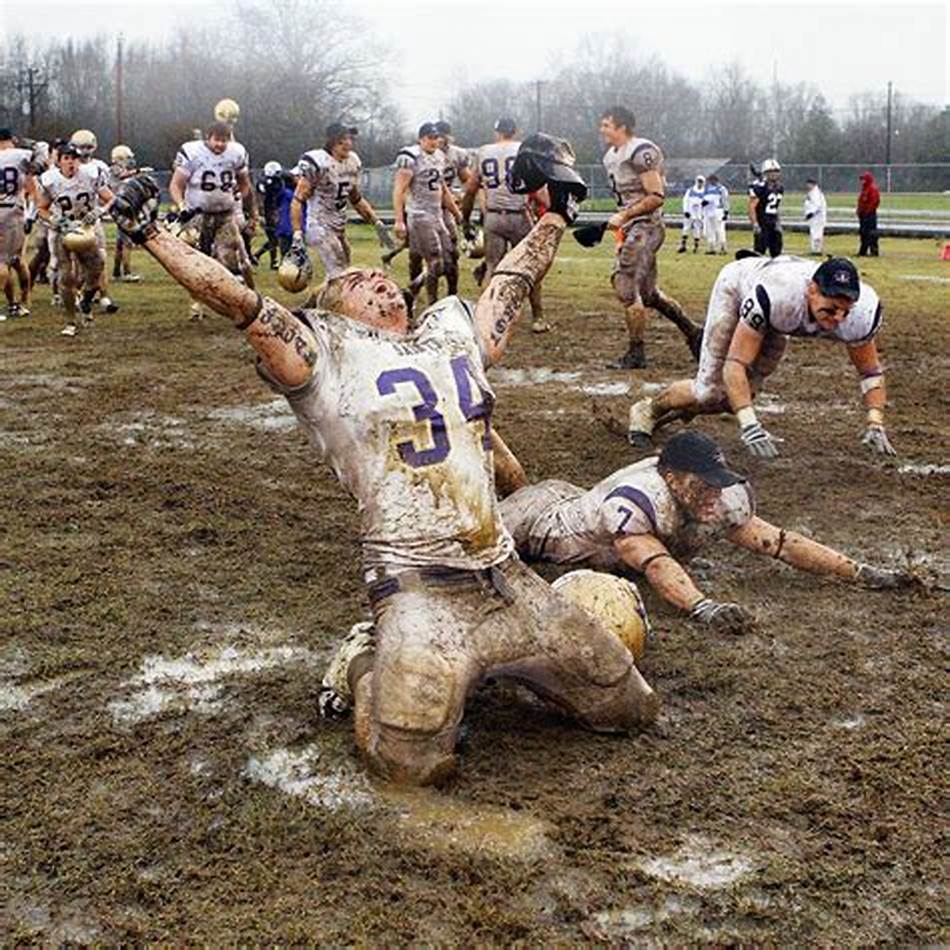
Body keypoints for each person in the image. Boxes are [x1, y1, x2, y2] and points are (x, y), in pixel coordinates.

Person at [109, 134, 657, 787]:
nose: (377, 279)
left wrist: (556, 215)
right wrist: (150, 233)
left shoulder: (448, 330)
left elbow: (508, 284)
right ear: (331, 312)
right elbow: (237, 300)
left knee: (629, 709)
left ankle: (497, 665)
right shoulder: (323, 355)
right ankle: (365, 660)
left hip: (505, 574)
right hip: (419, 587)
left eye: (381, 276)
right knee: (410, 765)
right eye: (355, 281)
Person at [500, 430, 918, 633]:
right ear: (670, 477)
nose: (712, 494)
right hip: (542, 518)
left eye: (716, 483)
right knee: (477, 544)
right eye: (701, 484)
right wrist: (703, 607)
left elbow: (780, 544)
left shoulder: (721, 495)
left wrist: (861, 572)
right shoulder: (636, 499)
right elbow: (655, 563)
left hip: (581, 507)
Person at [627, 255, 896, 458]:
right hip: (738, 289)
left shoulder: (863, 315)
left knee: (737, 397)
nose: (838, 318)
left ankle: (681, 410)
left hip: (777, 316)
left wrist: (875, 422)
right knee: (709, 392)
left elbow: (870, 372)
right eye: (831, 308)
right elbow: (735, 364)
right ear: (812, 290)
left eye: (845, 311)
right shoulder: (778, 296)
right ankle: (648, 409)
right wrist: (750, 426)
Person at [600, 105, 700, 368]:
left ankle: (636, 353)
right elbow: (624, 203)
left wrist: (625, 216)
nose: (602, 129)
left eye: (607, 125)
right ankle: (694, 332)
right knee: (647, 294)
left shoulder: (641, 151)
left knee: (625, 285)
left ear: (622, 127)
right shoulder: (610, 157)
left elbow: (656, 196)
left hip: (647, 226)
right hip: (633, 228)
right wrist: (622, 232)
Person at [462, 117, 549, 333]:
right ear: (515, 131)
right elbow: (538, 188)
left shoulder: (484, 151)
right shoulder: (524, 150)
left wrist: (465, 218)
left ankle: (484, 318)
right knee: (529, 267)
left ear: (497, 132)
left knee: (492, 267)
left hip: (493, 216)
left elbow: (471, 189)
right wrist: (552, 209)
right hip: (519, 215)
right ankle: (538, 318)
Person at [169, 120, 256, 319]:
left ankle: (242, 303)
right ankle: (197, 303)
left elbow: (245, 184)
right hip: (197, 215)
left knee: (231, 258)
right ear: (207, 138)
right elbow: (176, 185)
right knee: (198, 262)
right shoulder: (192, 152)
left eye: (224, 140)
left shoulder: (236, 152)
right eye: (216, 140)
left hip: (225, 214)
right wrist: (181, 206)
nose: (220, 144)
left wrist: (240, 196)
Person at [290, 123, 391, 284]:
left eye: (350, 139)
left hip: (339, 226)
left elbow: (356, 199)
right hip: (319, 224)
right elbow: (297, 200)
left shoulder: (352, 162)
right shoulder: (319, 162)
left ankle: (320, 298)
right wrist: (297, 233)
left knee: (343, 268)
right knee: (339, 272)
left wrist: (377, 222)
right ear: (331, 141)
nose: (347, 143)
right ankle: (334, 300)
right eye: (342, 139)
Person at [35, 142, 114, 337]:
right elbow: (41, 208)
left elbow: (110, 198)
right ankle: (70, 322)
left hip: (86, 229)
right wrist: (55, 220)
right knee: (66, 277)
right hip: (63, 231)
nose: (72, 163)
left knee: (97, 267)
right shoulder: (51, 180)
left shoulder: (90, 175)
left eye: (75, 158)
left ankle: (86, 300)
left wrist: (100, 210)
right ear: (59, 161)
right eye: (67, 158)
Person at [393, 122, 460, 306]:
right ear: (420, 139)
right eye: (429, 138)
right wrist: (399, 220)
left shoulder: (439, 156)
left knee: (450, 258)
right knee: (435, 260)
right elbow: (399, 190)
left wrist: (456, 212)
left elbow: (442, 188)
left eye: (436, 138)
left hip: (437, 214)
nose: (433, 141)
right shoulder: (411, 157)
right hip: (420, 215)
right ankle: (433, 303)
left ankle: (411, 290)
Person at [70, 129, 120, 313]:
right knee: (77, 263)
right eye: (81, 147)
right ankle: (77, 295)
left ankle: (104, 296)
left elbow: (109, 194)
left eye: (88, 147)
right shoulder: (69, 165)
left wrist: (101, 211)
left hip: (93, 219)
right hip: (73, 221)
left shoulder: (100, 167)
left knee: (101, 258)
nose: (84, 151)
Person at [0, 128, 37, 319]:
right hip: (13, 212)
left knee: (5, 261)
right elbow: (33, 189)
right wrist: (31, 216)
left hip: (6, 211)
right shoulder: (20, 155)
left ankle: (14, 303)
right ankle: (22, 300)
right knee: (13, 260)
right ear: (11, 139)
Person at [435, 120, 471, 298]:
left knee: (452, 253)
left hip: (446, 209)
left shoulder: (457, 154)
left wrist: (464, 196)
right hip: (424, 208)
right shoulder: (423, 155)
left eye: (444, 135)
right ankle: (415, 292)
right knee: (419, 256)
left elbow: (467, 180)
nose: (441, 140)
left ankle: (452, 294)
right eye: (438, 136)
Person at [108, 144, 144, 282]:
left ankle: (116, 272)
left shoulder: (121, 169)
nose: (130, 160)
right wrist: (138, 171)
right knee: (127, 242)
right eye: (127, 158)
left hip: (120, 207)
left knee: (120, 242)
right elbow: (122, 175)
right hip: (121, 208)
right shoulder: (114, 168)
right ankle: (127, 272)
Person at [252, 160, 286, 270]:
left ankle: (257, 256)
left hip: (275, 211)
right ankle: (272, 261)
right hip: (269, 212)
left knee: (274, 238)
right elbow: (262, 196)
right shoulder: (267, 183)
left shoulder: (276, 182)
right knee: (274, 237)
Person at [748, 158, 783, 257]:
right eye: (771, 172)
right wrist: (755, 223)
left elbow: (776, 208)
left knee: (777, 252)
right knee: (759, 252)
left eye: (776, 171)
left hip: (773, 222)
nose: (774, 174)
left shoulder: (779, 188)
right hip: (762, 222)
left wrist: (778, 222)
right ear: (765, 173)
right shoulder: (759, 187)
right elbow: (752, 207)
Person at [677, 175, 705, 253]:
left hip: (698, 214)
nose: (700, 183)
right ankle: (683, 245)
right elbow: (685, 201)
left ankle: (696, 247)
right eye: (699, 181)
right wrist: (686, 211)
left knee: (697, 229)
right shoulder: (690, 190)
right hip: (689, 212)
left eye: (701, 182)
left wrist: (703, 211)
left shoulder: (704, 192)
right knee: (686, 228)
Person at [703, 174, 729, 254]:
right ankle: (711, 247)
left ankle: (722, 247)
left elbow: (725, 200)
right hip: (709, 211)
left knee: (719, 230)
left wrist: (726, 211)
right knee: (710, 230)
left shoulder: (721, 189)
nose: (710, 182)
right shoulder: (707, 189)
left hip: (718, 210)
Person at [857, 171, 880, 257]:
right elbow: (861, 202)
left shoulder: (872, 189)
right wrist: (859, 211)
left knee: (871, 234)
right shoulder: (864, 189)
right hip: (863, 215)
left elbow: (874, 202)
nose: (862, 181)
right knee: (863, 233)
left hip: (870, 215)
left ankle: (874, 251)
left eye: (864, 179)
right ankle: (863, 251)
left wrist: (868, 212)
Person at [803, 178, 827, 255]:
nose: (807, 186)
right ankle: (815, 249)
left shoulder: (815, 193)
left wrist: (810, 214)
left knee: (817, 233)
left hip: (817, 217)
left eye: (809, 184)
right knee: (814, 233)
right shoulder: (812, 192)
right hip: (815, 217)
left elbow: (817, 205)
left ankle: (817, 250)